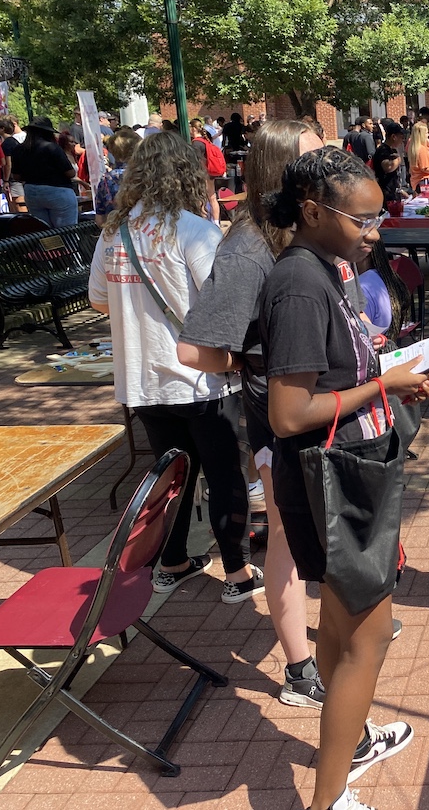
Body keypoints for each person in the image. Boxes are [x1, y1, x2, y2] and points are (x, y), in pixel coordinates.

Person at [261, 147, 429, 810]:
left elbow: (340, 371)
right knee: (367, 640)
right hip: (331, 482)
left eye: (379, 217)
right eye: (362, 220)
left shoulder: (331, 268)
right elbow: (287, 413)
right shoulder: (299, 283)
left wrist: (390, 380)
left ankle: (345, 758)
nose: (375, 231)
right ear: (313, 211)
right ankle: (328, 801)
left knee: (341, 633)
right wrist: (381, 385)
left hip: (349, 474)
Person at [177, 119, 332, 710]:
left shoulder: (300, 228)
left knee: (318, 524)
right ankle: (298, 669)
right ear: (279, 171)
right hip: (278, 419)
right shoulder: (246, 249)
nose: (327, 173)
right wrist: (252, 368)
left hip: (317, 407)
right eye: (313, 162)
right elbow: (195, 350)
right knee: (288, 540)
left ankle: (337, 624)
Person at [87, 130, 260, 605]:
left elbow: (99, 300)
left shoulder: (113, 231)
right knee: (224, 474)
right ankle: (238, 571)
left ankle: (173, 560)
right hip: (200, 377)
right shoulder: (194, 230)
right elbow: (221, 304)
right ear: (189, 174)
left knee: (169, 478)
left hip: (142, 378)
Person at [16, 117, 78, 227]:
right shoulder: (52, 148)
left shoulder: (19, 149)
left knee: (44, 232)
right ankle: (68, 245)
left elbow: (16, 176)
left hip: (32, 191)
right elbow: (70, 173)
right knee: (66, 232)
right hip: (58, 190)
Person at [94, 127, 142, 224]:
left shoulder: (106, 179)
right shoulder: (145, 174)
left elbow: (100, 220)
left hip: (115, 231)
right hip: (145, 231)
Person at [372, 122, 410, 204]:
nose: (402, 141)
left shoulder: (392, 150)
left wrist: (400, 191)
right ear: (393, 137)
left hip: (393, 192)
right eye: (401, 137)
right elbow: (388, 167)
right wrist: (398, 159)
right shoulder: (383, 150)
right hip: (385, 193)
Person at [407, 122, 429, 191]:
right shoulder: (421, 149)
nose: (428, 135)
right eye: (426, 133)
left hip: (416, 180)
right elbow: (425, 169)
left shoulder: (412, 146)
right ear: (421, 135)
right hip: (425, 180)